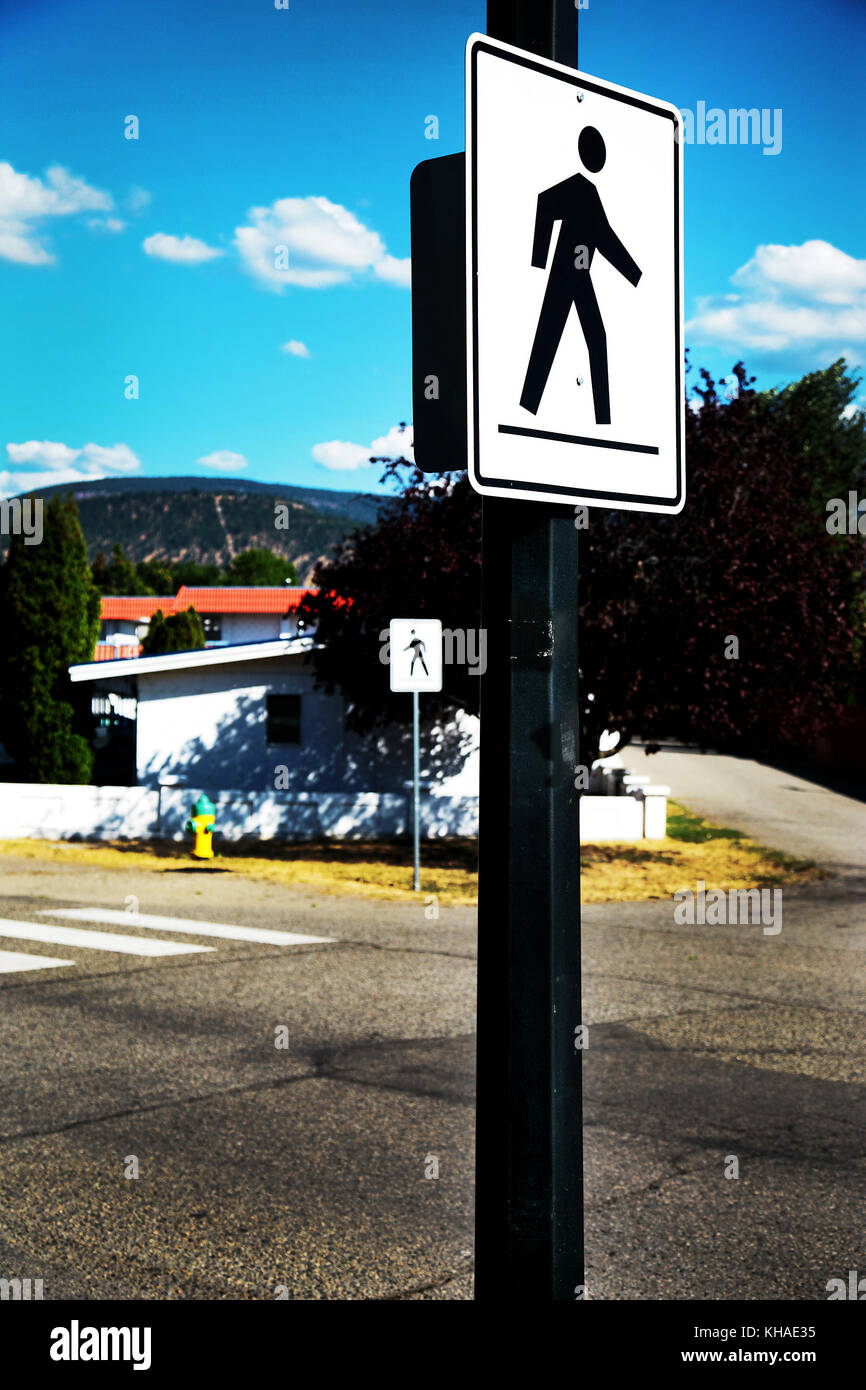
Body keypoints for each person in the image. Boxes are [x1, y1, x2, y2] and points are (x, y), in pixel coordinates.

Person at [520, 126, 641, 424]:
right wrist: (539, 259)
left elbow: (604, 237)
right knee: (548, 337)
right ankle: (527, 408)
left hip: (580, 274)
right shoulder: (578, 187)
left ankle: (603, 421)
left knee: (595, 338)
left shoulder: (590, 193)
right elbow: (545, 202)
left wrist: (636, 276)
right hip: (564, 271)